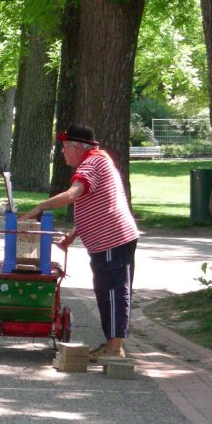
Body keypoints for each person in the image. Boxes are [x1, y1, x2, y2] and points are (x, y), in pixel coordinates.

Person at [21, 123, 139, 362]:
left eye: (65, 147)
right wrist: (73, 235)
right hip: (110, 239)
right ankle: (111, 344)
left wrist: (40, 207)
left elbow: (73, 194)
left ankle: (115, 349)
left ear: (77, 147)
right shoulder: (97, 161)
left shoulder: (92, 163)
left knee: (113, 291)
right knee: (106, 290)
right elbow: (96, 203)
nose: (62, 152)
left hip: (111, 240)